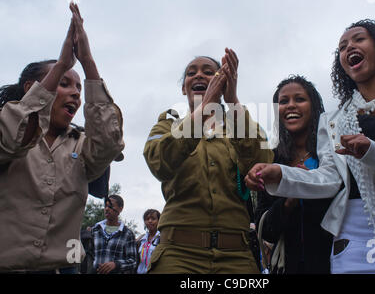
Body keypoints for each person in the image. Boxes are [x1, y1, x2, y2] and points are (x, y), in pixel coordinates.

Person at [245, 6, 375, 274]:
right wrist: (280, 176)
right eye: (342, 46)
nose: (348, 47)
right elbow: (328, 179)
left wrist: (372, 153)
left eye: (358, 39)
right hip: (351, 243)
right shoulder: (333, 120)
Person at [0, 3, 124, 273]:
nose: (76, 93)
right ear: (33, 90)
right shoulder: (8, 128)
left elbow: (108, 144)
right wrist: (62, 64)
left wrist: (89, 64)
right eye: (64, 83)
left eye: (79, 88)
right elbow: (9, 139)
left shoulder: (81, 144)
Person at [143, 48, 273, 273]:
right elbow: (158, 163)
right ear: (184, 88)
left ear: (223, 83)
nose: (199, 76)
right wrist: (204, 110)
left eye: (209, 72)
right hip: (178, 254)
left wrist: (232, 101)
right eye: (191, 73)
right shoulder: (167, 125)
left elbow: (263, 163)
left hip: (236, 256)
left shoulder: (239, 124)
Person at [254, 75, 333, 274]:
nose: (290, 106)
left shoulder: (332, 154)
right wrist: (289, 200)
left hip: (334, 262)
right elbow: (265, 230)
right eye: (283, 101)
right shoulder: (271, 160)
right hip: (287, 266)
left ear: (314, 107)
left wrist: (310, 184)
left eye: (299, 99)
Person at [91, 195, 137, 274]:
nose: (107, 209)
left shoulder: (127, 234)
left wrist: (116, 264)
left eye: (110, 206)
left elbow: (133, 261)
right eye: (105, 206)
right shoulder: (95, 230)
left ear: (120, 209)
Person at [136, 209, 161, 274]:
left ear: (159, 221)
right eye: (147, 219)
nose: (150, 221)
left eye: (153, 219)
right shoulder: (140, 240)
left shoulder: (162, 239)